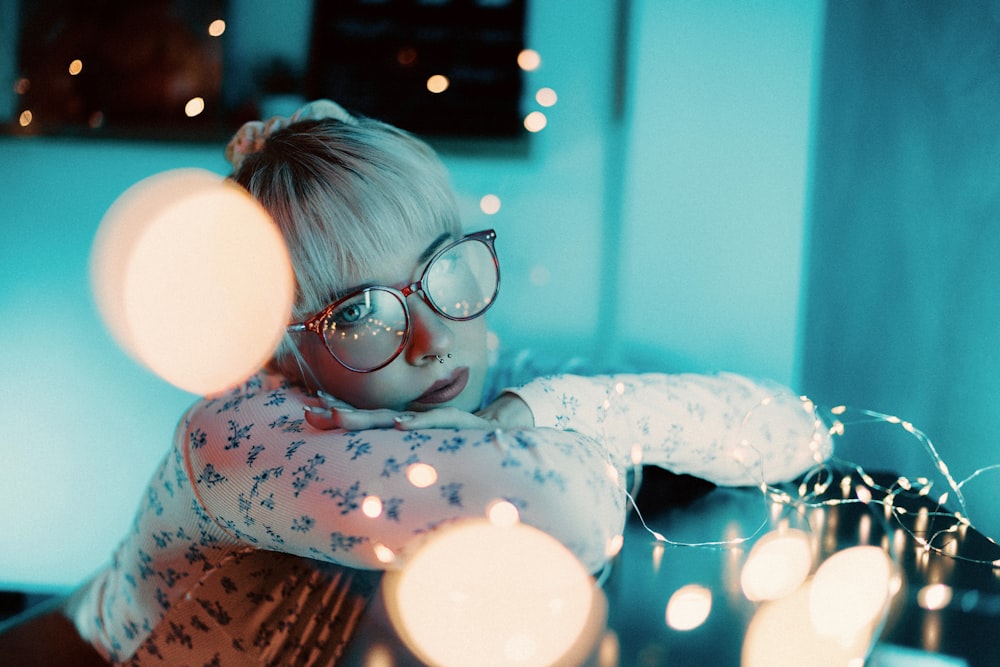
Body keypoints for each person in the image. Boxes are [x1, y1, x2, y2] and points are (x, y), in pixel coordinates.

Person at [2, 100, 832, 665]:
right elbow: (571, 513)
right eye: (361, 315)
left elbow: (795, 429)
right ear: (275, 347)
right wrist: (582, 429)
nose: (435, 339)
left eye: (444, 268)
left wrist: (534, 406)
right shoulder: (240, 435)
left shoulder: (482, 371)